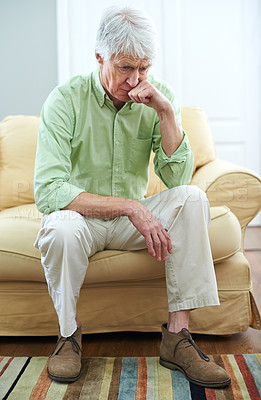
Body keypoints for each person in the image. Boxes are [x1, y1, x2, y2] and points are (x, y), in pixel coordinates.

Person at [34, 6, 231, 388]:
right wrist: (131, 206)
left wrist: (167, 113)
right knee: (58, 227)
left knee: (192, 199)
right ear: (99, 57)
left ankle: (177, 338)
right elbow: (49, 191)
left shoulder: (159, 98)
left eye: (144, 68)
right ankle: (68, 336)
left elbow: (177, 179)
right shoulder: (65, 100)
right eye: (125, 68)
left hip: (130, 226)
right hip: (81, 220)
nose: (135, 79)